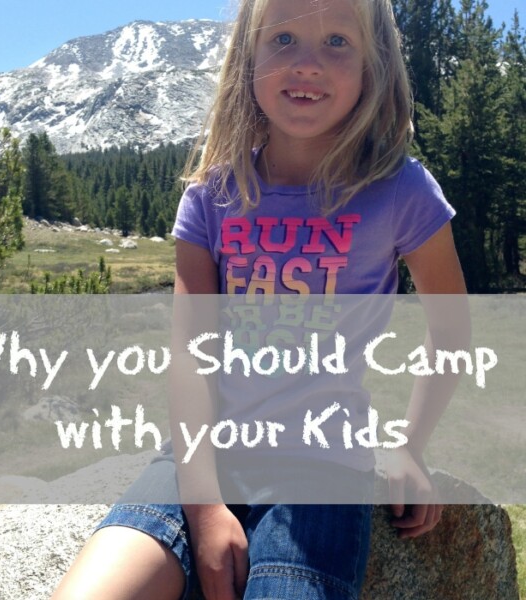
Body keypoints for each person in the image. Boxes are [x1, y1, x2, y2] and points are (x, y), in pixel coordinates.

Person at [52, 0, 467, 598]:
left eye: (337, 44)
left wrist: (409, 445)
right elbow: (191, 353)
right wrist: (203, 509)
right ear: (247, 58)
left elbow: (450, 331)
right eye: (284, 40)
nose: (308, 64)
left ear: (374, 65)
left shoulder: (400, 190)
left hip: (321, 471)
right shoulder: (210, 196)